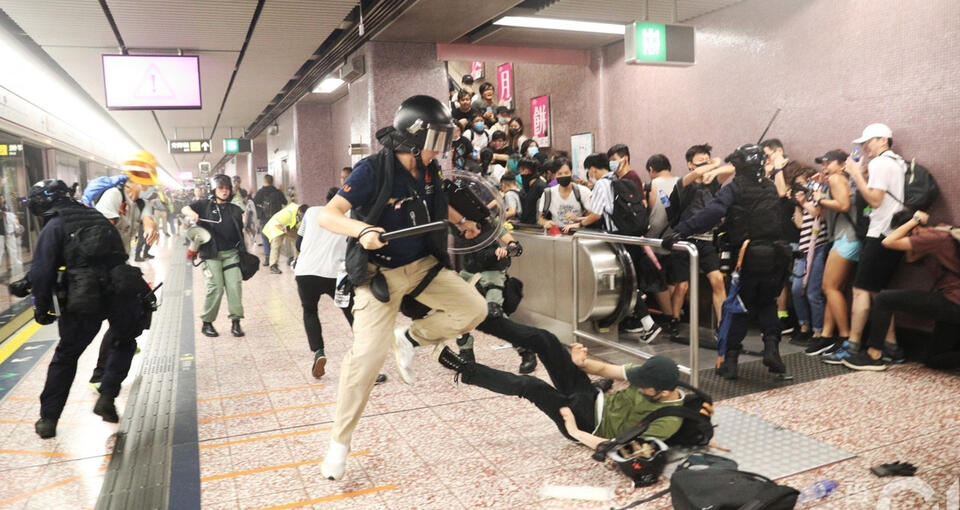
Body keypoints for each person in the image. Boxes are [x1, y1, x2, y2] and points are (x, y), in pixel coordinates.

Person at [317, 95, 487, 480]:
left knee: (473, 310)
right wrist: (362, 230)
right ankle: (338, 445)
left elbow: (436, 202)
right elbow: (329, 216)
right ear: (413, 137)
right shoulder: (372, 171)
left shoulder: (429, 171)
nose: (440, 150)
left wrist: (463, 222)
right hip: (381, 275)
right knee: (365, 360)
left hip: (424, 265)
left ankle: (410, 338)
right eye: (436, 140)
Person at [24, 180, 151, 438]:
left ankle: (48, 419)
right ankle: (107, 394)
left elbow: (42, 272)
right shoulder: (98, 216)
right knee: (124, 340)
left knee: (66, 356)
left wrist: (42, 306)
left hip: (83, 297)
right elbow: (120, 254)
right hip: (120, 289)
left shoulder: (55, 226)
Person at [664, 144, 790, 379]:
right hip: (775, 256)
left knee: (737, 307)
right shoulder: (770, 187)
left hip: (746, 255)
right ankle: (772, 348)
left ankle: (730, 361)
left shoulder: (735, 188)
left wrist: (681, 232)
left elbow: (711, 213)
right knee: (767, 303)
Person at [437, 338, 684, 446]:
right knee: (549, 345)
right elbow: (611, 370)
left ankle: (465, 369)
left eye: (642, 385)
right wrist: (581, 363)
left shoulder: (667, 421)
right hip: (593, 397)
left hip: (589, 423)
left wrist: (575, 432)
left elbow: (617, 447)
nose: (636, 385)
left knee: (531, 386)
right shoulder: (653, 378)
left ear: (663, 393)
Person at [823, 124, 906, 364]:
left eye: (868, 141)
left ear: (883, 140)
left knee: (860, 290)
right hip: (892, 234)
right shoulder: (897, 162)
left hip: (879, 233)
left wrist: (856, 174)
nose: (864, 147)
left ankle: (854, 346)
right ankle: (891, 346)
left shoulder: (880, 163)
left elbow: (875, 201)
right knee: (879, 294)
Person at [296, 188, 386, 385]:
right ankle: (368, 368)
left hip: (305, 272)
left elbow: (298, 243)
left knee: (310, 311)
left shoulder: (311, 212)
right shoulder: (352, 218)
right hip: (334, 274)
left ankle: (318, 351)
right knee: (353, 315)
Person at [839, 210, 950, 370]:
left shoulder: (929, 238)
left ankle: (873, 354)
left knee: (884, 298)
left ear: (914, 230)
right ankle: (892, 349)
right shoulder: (938, 233)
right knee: (933, 359)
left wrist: (913, 221)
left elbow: (887, 242)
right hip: (949, 297)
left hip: (951, 299)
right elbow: (911, 257)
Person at [87, 151, 160, 392]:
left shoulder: (139, 202)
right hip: (102, 269)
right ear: (138, 179)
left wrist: (150, 225)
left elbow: (148, 216)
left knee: (133, 311)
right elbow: (102, 234)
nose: (150, 187)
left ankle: (125, 339)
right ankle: (99, 375)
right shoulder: (112, 196)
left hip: (120, 267)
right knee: (119, 321)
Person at [573, 153, 661, 342]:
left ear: (593, 169)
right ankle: (639, 322)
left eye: (590, 171)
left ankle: (648, 324)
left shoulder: (602, 184)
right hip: (633, 237)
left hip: (618, 239)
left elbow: (596, 215)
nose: (590, 174)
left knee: (627, 282)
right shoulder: (618, 180)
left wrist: (578, 225)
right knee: (631, 281)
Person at [665, 146, 735, 341]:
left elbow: (731, 170)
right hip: (684, 240)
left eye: (708, 159)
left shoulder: (712, 184)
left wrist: (714, 169)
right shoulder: (683, 185)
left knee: (718, 281)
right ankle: (675, 320)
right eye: (700, 161)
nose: (705, 164)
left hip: (706, 242)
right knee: (683, 286)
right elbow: (696, 173)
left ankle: (723, 327)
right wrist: (711, 164)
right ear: (689, 164)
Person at [805, 150, 860, 356]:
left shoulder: (838, 178)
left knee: (829, 287)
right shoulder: (841, 180)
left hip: (847, 237)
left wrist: (820, 197)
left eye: (829, 163)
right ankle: (828, 336)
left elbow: (843, 205)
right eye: (823, 163)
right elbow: (821, 210)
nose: (825, 167)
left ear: (842, 164)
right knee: (834, 288)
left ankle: (844, 337)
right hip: (846, 237)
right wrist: (817, 190)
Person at [181, 174, 247, 338]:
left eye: (227, 188)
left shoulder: (234, 208)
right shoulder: (204, 205)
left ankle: (236, 322)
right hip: (211, 255)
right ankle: (207, 323)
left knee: (234, 287)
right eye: (221, 188)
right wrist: (191, 214)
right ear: (214, 189)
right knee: (215, 288)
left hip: (232, 254)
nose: (224, 191)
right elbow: (185, 208)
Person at [786, 164, 829, 346]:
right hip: (804, 249)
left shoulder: (819, 195)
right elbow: (799, 224)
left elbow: (820, 214)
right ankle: (804, 326)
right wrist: (797, 204)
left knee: (813, 292)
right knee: (796, 289)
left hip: (819, 246)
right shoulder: (804, 201)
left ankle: (818, 332)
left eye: (803, 184)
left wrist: (805, 201)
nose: (801, 188)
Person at [537, 157, 591, 232]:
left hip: (578, 235)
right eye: (560, 174)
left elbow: (592, 217)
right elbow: (540, 219)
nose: (563, 176)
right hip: (557, 235)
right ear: (555, 175)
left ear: (571, 172)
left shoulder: (583, 191)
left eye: (566, 173)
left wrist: (578, 220)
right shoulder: (548, 194)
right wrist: (546, 222)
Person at [253, 174, 288, 266]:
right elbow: (285, 202)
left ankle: (267, 257)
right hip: (276, 219)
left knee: (265, 237)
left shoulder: (260, 192)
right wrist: (281, 192)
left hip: (264, 218)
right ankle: (274, 259)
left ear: (264, 181)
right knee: (275, 239)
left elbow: (254, 203)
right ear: (272, 181)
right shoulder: (277, 192)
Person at [262, 202, 306, 274]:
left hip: (289, 226)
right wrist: (284, 230)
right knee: (276, 246)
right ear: (299, 211)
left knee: (297, 241)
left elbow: (299, 224)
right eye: (301, 215)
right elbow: (276, 223)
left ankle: (297, 260)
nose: (302, 216)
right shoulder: (288, 213)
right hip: (277, 227)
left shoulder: (300, 212)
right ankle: (273, 266)